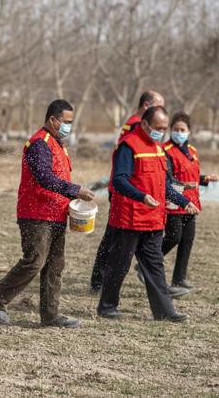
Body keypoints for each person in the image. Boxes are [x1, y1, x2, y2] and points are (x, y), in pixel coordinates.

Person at [0, 99, 96, 328]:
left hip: (57, 214)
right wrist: (75, 190)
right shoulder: (38, 144)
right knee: (35, 261)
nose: (68, 127)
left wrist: (71, 199)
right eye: (66, 122)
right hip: (36, 214)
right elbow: (44, 177)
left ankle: (50, 315)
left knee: (55, 265)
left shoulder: (59, 145)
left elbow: (59, 180)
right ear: (53, 120)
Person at [97, 106, 200, 322]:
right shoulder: (128, 146)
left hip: (153, 221)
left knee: (155, 267)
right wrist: (141, 196)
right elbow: (119, 180)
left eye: (164, 128)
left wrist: (183, 201)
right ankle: (107, 307)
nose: (161, 132)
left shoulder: (159, 149)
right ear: (144, 124)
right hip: (129, 218)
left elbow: (164, 184)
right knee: (119, 264)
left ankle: (165, 311)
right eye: (158, 127)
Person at [90, 91, 166, 293]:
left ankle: (100, 279)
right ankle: (102, 283)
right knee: (117, 243)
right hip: (128, 194)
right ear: (147, 106)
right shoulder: (136, 126)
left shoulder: (131, 122)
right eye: (158, 106)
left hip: (125, 191)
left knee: (112, 239)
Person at [162, 112, 218, 289]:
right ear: (170, 130)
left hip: (192, 203)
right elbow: (167, 178)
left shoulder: (192, 151)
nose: (179, 132)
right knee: (174, 237)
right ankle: (148, 261)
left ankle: (179, 278)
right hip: (174, 202)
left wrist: (204, 179)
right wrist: (183, 187)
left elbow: (191, 175)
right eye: (175, 129)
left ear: (189, 131)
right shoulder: (165, 150)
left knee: (187, 240)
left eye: (182, 129)